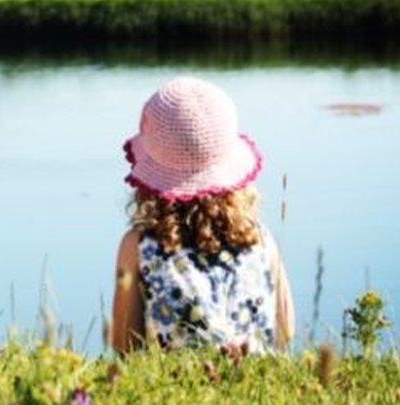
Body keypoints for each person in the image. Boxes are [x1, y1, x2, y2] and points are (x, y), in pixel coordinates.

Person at [111, 77, 294, 355]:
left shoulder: (138, 246)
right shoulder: (261, 240)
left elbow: (125, 345)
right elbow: (285, 332)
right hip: (254, 386)